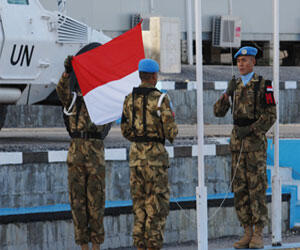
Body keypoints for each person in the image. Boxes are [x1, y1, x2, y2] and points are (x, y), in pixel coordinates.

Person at [214, 46, 277, 249]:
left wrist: (251, 129)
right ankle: (247, 230)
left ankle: (258, 232)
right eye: (239, 61)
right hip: (237, 145)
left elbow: (270, 116)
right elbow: (218, 112)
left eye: (245, 60)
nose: (241, 64)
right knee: (240, 189)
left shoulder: (263, 85)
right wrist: (226, 94)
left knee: (256, 188)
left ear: (253, 62)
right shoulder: (235, 85)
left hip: (254, 145)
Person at [121, 58, 178, 250]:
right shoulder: (161, 99)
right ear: (154, 76)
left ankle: (139, 245)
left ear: (140, 75)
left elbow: (125, 130)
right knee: (157, 207)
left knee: (139, 207)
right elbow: (171, 133)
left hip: (136, 158)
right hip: (155, 159)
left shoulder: (129, 99)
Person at [56, 55, 111, 250]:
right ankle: (84, 246)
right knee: (77, 202)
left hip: (95, 151)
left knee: (96, 203)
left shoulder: (101, 99)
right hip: (77, 151)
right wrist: (67, 73)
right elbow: (61, 91)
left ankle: (96, 246)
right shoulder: (73, 100)